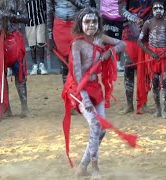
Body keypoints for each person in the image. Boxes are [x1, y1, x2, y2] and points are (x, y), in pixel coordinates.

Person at [62, 8, 125, 178]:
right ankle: (95, 169)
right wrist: (85, 101)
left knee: (101, 129)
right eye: (87, 22)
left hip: (95, 87)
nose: (91, 25)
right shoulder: (76, 44)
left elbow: (122, 44)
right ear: (80, 24)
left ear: (98, 23)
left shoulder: (100, 38)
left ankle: (82, 166)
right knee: (96, 125)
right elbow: (77, 77)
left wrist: (109, 53)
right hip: (78, 89)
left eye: (94, 22)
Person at [138, 1, 166, 118]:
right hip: (152, 57)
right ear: (152, 10)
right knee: (155, 83)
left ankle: (165, 110)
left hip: (164, 56)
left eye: (160, 8)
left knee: (165, 82)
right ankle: (158, 110)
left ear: (164, 10)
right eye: (156, 8)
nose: (158, 10)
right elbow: (139, 41)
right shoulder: (148, 23)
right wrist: (150, 53)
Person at [118, 0, 154, 114]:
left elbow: (158, 8)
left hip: (147, 34)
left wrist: (148, 21)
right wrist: (135, 18)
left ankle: (143, 103)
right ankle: (129, 105)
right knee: (128, 67)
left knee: (145, 69)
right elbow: (121, 10)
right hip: (129, 33)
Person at [46, 0, 91, 83]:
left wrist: (74, 2)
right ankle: (68, 91)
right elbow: (49, 12)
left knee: (78, 61)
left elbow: (88, 10)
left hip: (76, 27)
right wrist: (50, 37)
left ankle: (79, 91)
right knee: (64, 64)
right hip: (59, 28)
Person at [100, 0, 124, 71]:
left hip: (118, 16)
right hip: (104, 14)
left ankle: (117, 63)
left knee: (118, 40)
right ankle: (101, 62)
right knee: (103, 39)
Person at [25, 0, 48, 75]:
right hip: (28, 22)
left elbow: (45, 6)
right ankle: (34, 65)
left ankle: (42, 65)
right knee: (32, 44)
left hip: (40, 19)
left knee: (41, 42)